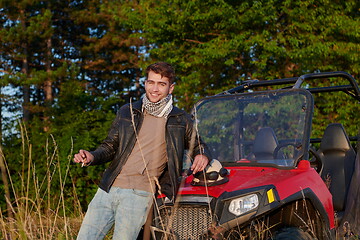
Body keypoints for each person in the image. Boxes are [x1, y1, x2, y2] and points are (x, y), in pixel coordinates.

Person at [73, 62, 211, 240]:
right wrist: (91, 156)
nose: (155, 89)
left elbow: (199, 144)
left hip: (140, 194)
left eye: (161, 84)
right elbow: (109, 146)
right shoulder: (128, 111)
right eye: (151, 82)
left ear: (171, 88)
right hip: (108, 188)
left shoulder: (180, 119)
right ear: (145, 84)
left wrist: (202, 154)